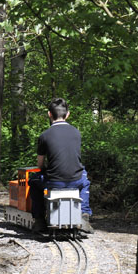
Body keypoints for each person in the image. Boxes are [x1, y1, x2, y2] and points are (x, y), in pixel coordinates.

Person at [31, 98, 93, 232]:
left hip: (54, 182)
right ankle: (84, 215)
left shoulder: (44, 135)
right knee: (85, 180)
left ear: (49, 114)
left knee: (33, 181)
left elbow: (40, 165)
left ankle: (39, 219)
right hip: (76, 180)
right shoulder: (76, 132)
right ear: (68, 114)